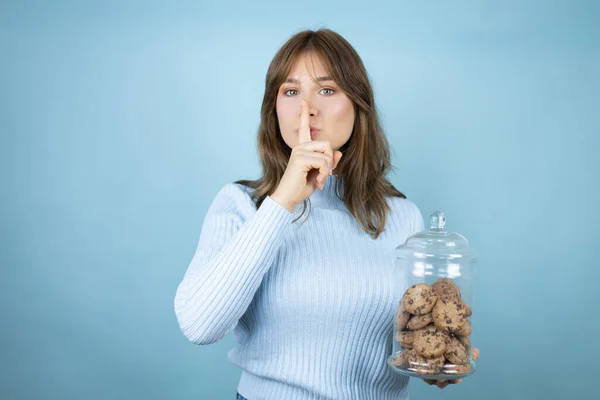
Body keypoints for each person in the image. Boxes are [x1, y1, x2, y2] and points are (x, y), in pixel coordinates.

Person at [174, 28, 480, 399]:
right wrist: (284, 199)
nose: (307, 108)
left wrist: (430, 363)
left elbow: (406, 334)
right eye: (290, 92)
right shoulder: (241, 205)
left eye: (327, 89)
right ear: (274, 109)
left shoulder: (401, 217)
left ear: (358, 104)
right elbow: (199, 326)